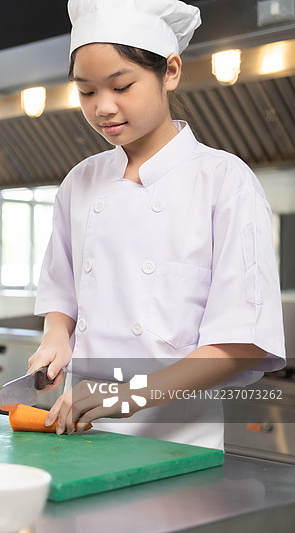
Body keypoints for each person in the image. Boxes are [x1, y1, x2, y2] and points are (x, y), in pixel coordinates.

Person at [28, 0, 286, 449]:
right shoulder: (81, 182)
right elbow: (62, 293)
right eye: (86, 92)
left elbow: (241, 342)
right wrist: (55, 337)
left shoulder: (224, 182)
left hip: (176, 444)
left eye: (121, 86)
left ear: (170, 71)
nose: (103, 108)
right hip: (80, 435)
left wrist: (125, 397)